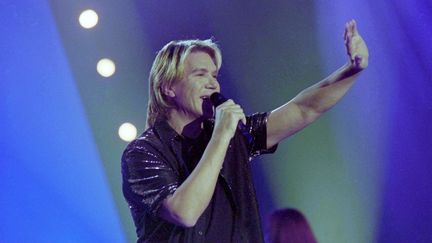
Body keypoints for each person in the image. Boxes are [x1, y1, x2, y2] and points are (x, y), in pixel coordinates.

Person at [121, 19, 369, 242]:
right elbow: (185, 212)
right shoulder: (143, 152)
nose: (213, 83)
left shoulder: (233, 136)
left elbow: (304, 109)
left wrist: (352, 70)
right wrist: (221, 134)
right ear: (168, 88)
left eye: (214, 75)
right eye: (200, 74)